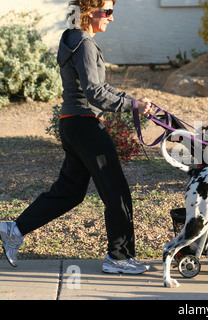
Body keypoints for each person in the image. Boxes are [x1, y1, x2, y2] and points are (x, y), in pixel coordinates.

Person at [0, 0, 154, 274]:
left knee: (69, 191)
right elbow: (95, 92)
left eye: (111, 12)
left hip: (73, 123)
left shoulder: (72, 40)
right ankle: (119, 258)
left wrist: (133, 100)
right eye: (107, 12)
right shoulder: (84, 43)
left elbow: (99, 87)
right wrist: (132, 105)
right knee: (116, 192)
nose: (111, 18)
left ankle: (14, 229)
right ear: (88, 13)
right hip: (85, 125)